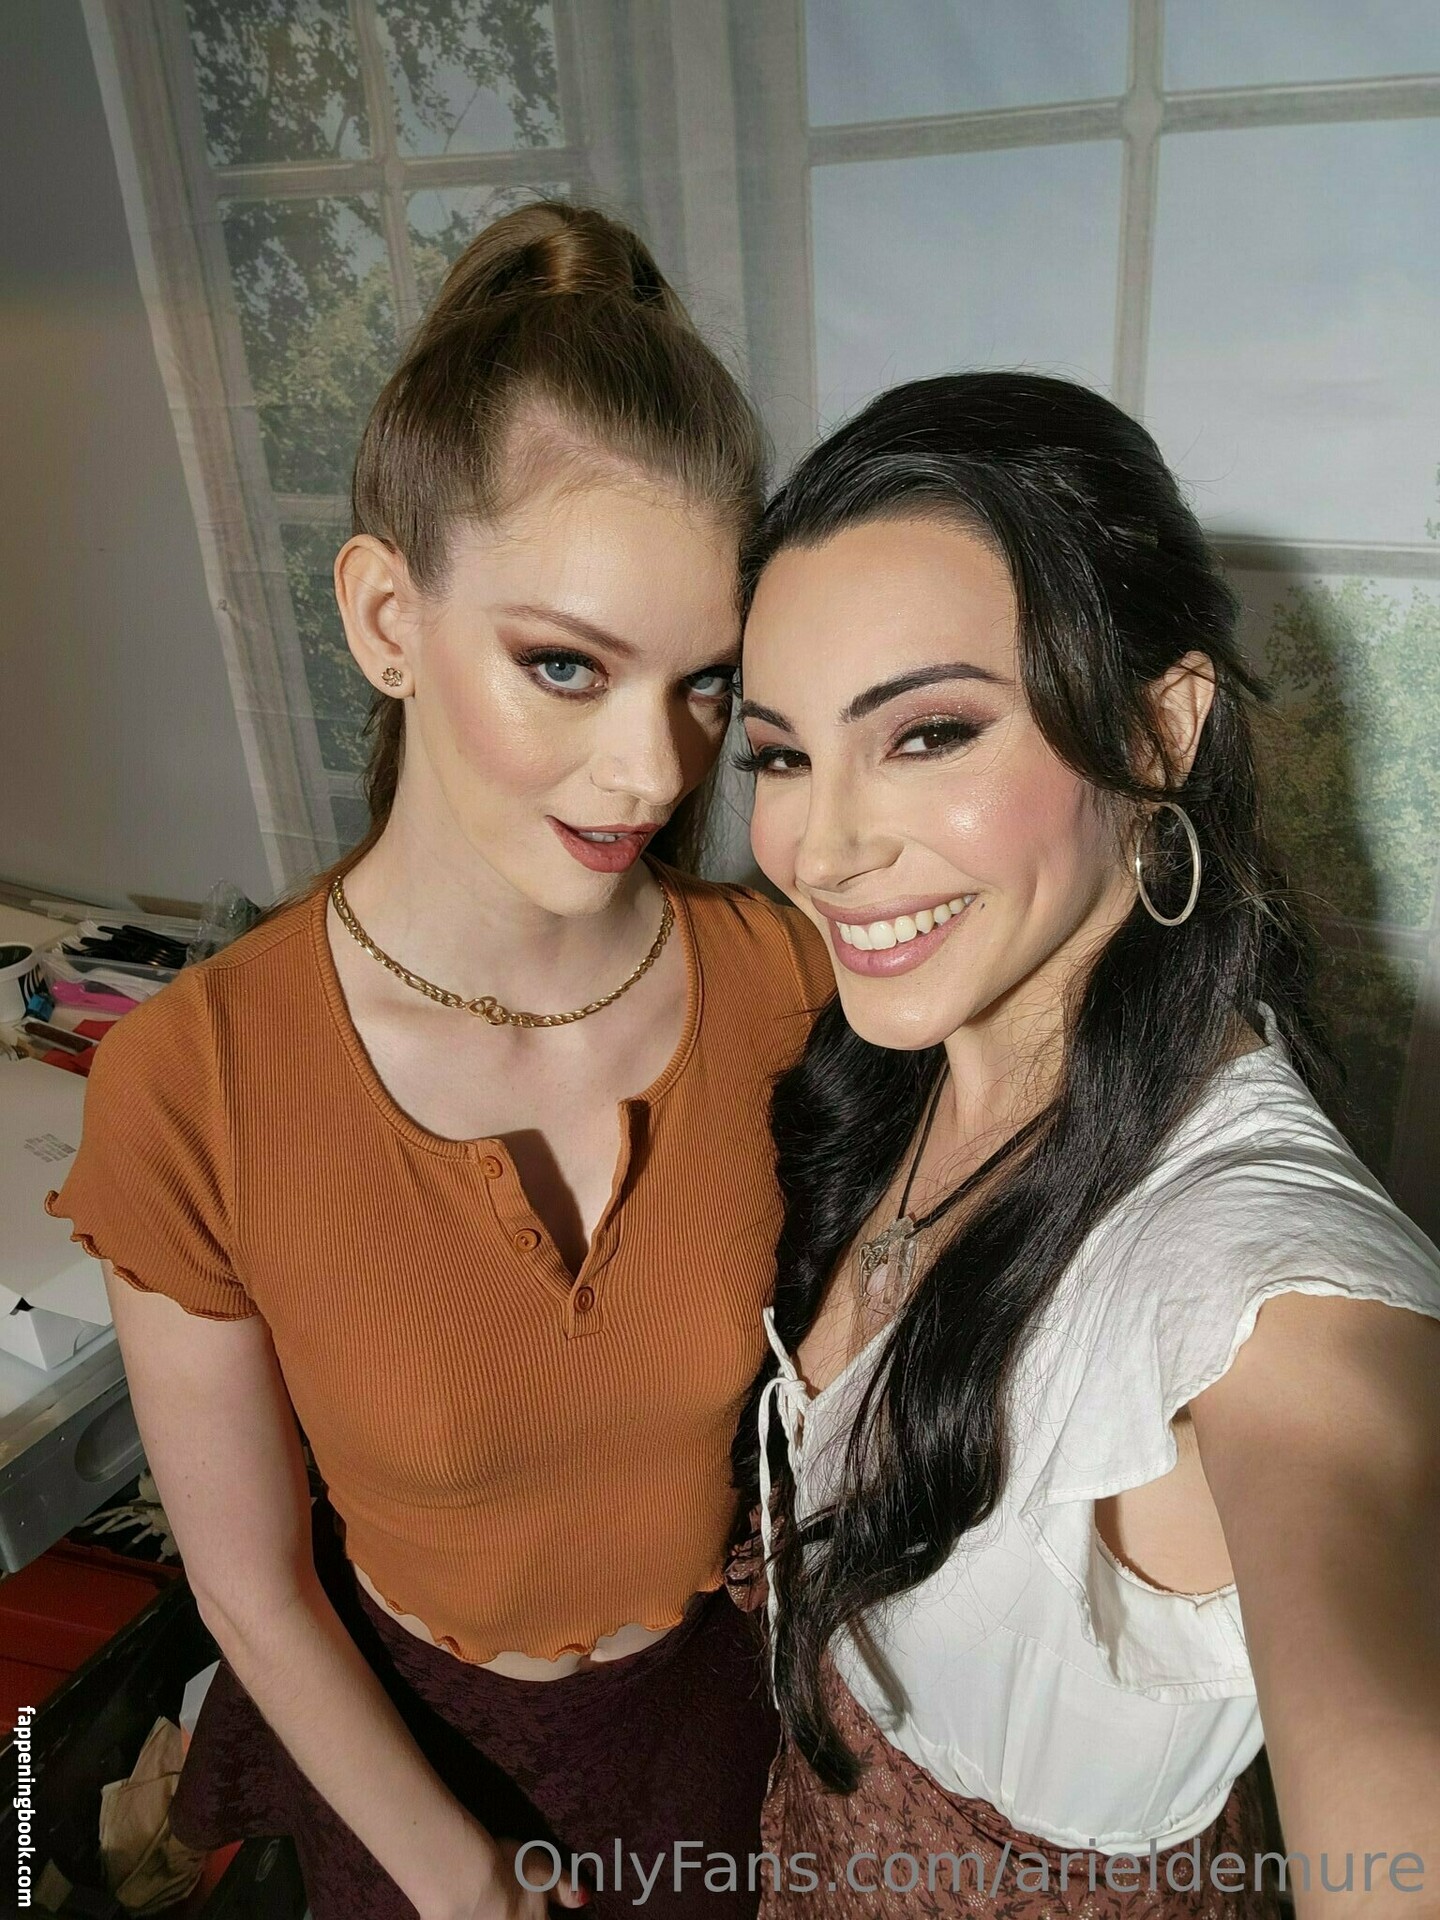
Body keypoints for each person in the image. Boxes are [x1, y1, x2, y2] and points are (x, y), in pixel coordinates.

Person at [46, 201, 832, 1920]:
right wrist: (456, 1876)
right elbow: (249, 1588)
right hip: (403, 1760)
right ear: (388, 617)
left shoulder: (787, 983)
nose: (653, 771)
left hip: (713, 1726)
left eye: (706, 685)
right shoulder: (197, 1083)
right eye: (565, 665)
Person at [730, 372, 1440, 1917]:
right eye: (778, 755)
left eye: (927, 734)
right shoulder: (901, 1052)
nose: (823, 849)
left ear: (1162, 729)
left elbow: (1390, 1777)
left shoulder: (1278, 1299)